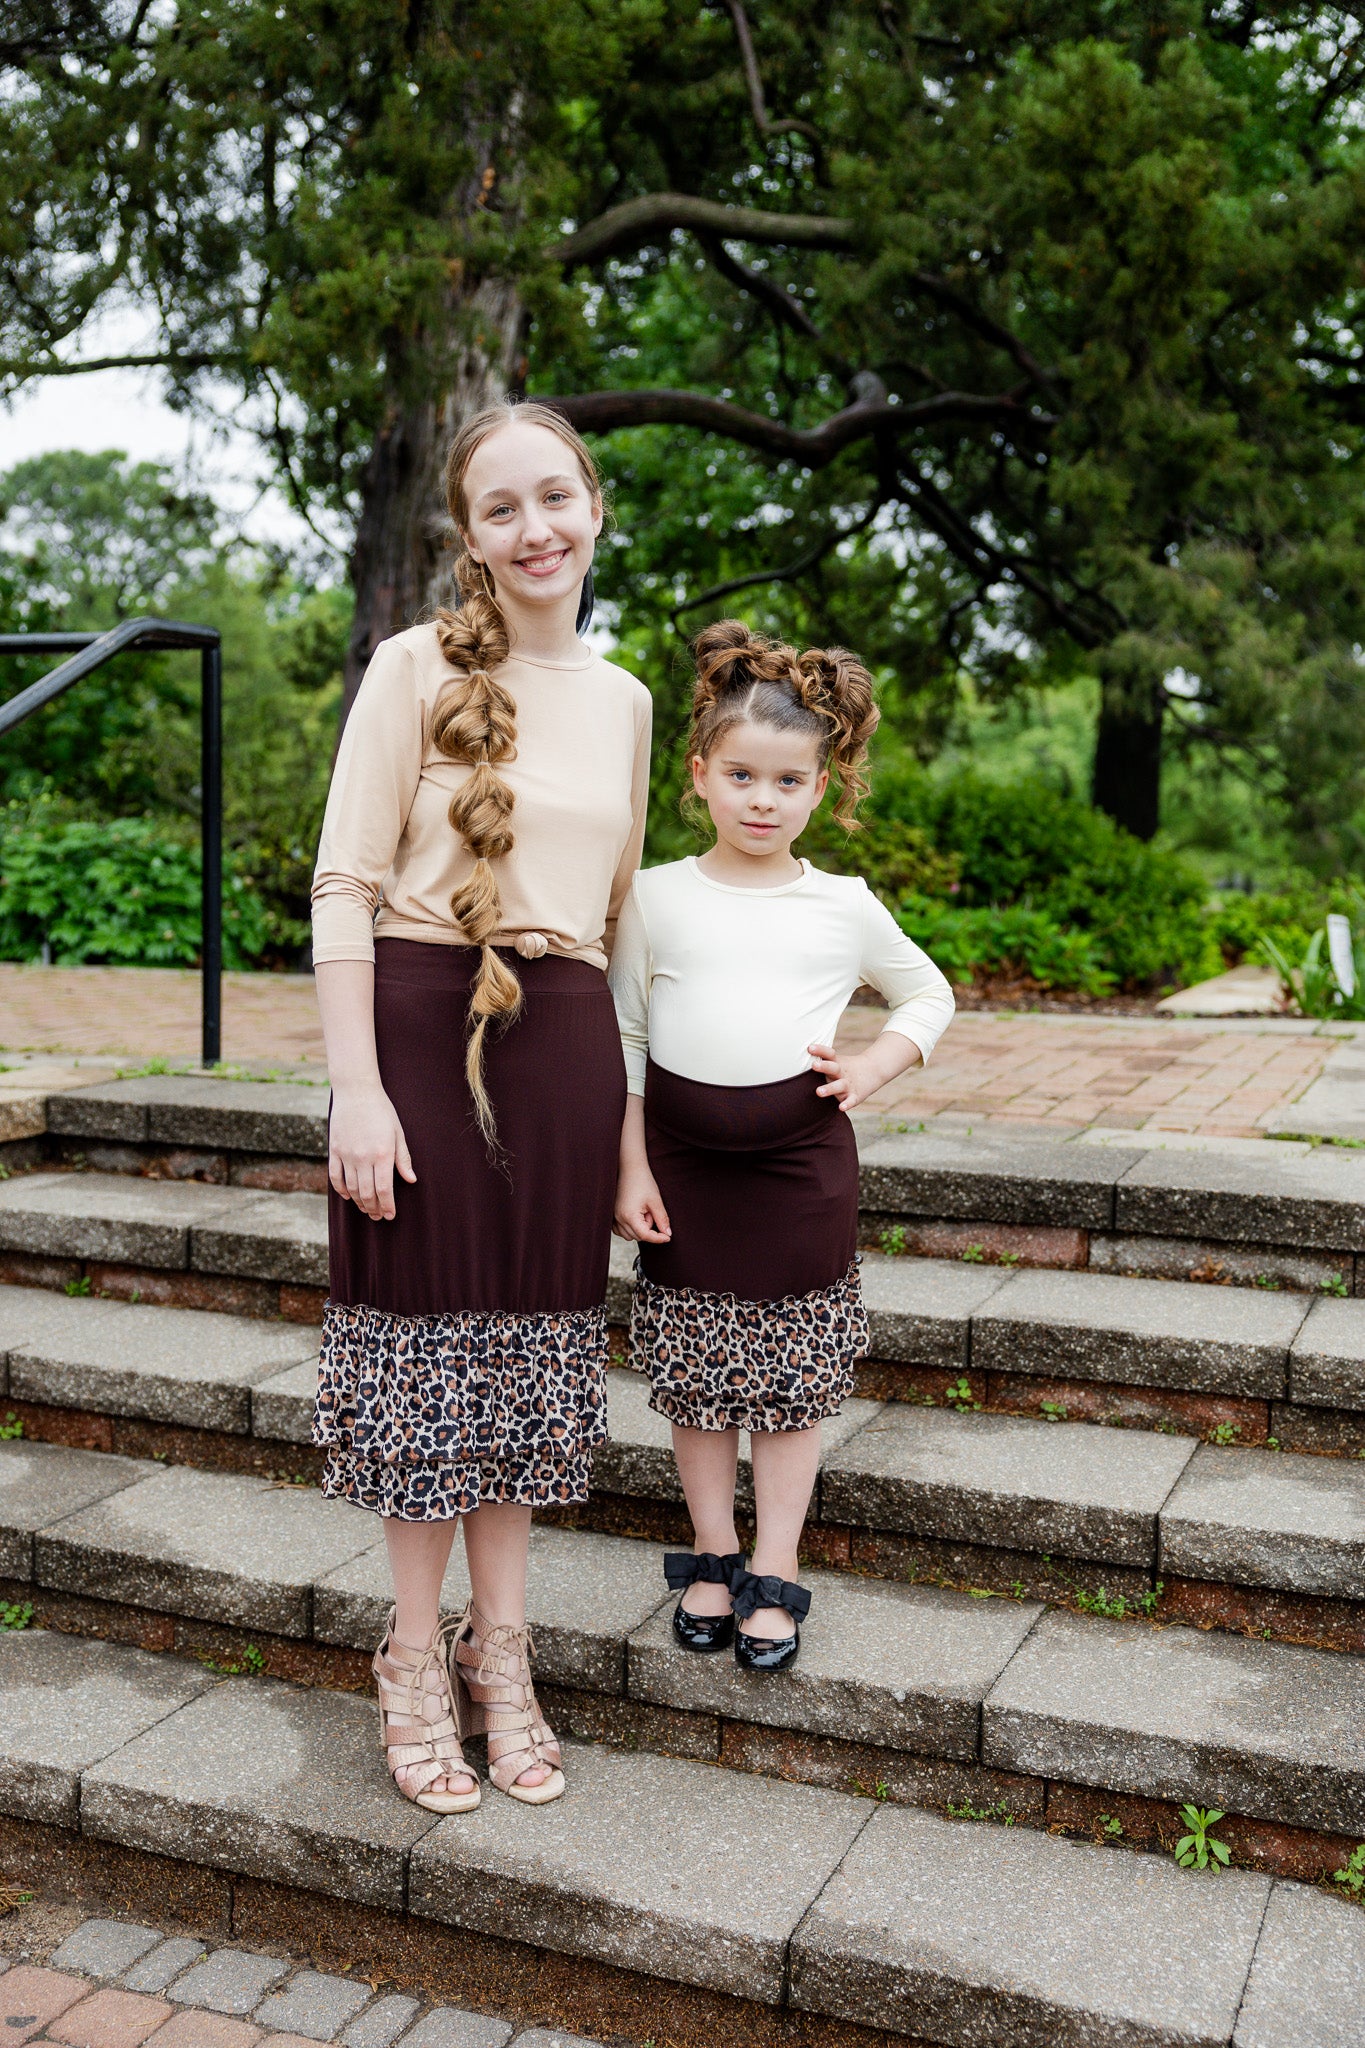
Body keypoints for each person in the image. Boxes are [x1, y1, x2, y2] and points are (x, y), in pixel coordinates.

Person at [311, 401, 651, 1808]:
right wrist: (355, 1094)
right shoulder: (408, 670)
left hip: (562, 1039)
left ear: (593, 507)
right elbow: (340, 884)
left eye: (556, 498)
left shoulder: (628, 702)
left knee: (518, 1366)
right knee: (420, 1364)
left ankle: (500, 1656)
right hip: (416, 1016)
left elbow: (621, 926)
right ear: (469, 535)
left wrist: (628, 1134)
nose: (536, 530)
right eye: (502, 508)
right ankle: (408, 1657)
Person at [609, 619, 953, 1670]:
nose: (764, 798)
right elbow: (623, 1034)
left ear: (822, 787)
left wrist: (874, 1066)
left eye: (789, 779)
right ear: (703, 773)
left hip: (801, 1176)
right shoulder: (656, 895)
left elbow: (928, 991)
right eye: (744, 774)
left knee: (789, 1381)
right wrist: (627, 1167)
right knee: (701, 1373)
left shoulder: (842, 905)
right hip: (680, 1169)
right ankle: (712, 1552)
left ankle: (775, 1561)